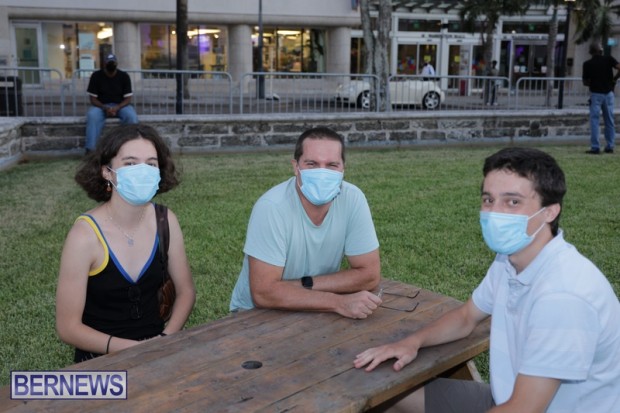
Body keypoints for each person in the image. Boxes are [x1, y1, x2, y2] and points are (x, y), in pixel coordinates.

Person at [354, 147, 620, 413]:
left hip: (524, 407)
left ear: (550, 212)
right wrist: (411, 342)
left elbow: (524, 409)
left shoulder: (563, 296)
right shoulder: (510, 259)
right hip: (503, 398)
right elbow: (466, 317)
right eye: (488, 199)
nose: (495, 212)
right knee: (381, 396)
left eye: (512, 202)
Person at [56, 123, 196, 362]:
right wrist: (134, 350)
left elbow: (186, 291)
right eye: (130, 163)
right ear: (107, 172)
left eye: (151, 164)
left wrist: (165, 339)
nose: (142, 171)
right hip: (100, 361)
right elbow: (68, 327)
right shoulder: (84, 236)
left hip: (159, 351)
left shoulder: (166, 221)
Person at [229, 127, 382, 319]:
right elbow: (263, 293)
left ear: (343, 169)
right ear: (296, 167)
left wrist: (302, 285)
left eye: (332, 165)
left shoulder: (353, 198)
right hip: (254, 315)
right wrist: (339, 302)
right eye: (312, 164)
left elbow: (369, 274)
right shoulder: (271, 207)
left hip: (315, 304)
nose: (322, 172)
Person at [85, 53, 138, 154]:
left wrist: (117, 107)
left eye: (113, 63)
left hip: (121, 105)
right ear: (104, 64)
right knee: (92, 116)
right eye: (109, 62)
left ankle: (130, 147)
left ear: (116, 64)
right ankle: (91, 149)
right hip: (101, 106)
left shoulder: (124, 76)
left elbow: (128, 98)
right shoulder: (96, 76)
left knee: (131, 117)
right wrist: (105, 108)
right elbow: (93, 99)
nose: (111, 65)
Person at [582, 43, 620, 154]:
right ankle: (610, 146)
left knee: (594, 121)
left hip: (595, 94)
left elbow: (585, 82)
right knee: (609, 120)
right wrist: (614, 79)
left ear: (591, 52)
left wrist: (593, 82)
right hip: (608, 93)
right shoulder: (608, 59)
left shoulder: (587, 64)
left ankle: (595, 147)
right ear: (601, 50)